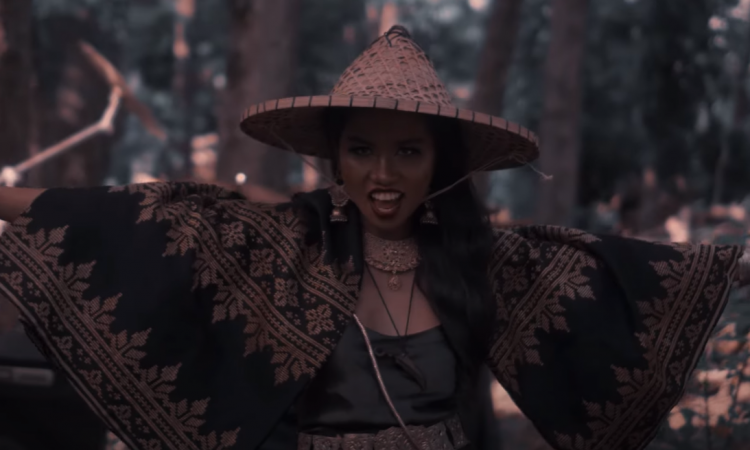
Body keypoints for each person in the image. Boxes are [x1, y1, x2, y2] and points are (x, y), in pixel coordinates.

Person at [0, 25, 747, 450]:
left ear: (439, 164)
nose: (382, 175)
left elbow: (621, 269)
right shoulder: (282, 248)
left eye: (409, 152)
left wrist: (733, 266)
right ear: (335, 158)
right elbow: (145, 216)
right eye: (361, 150)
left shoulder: (482, 263)